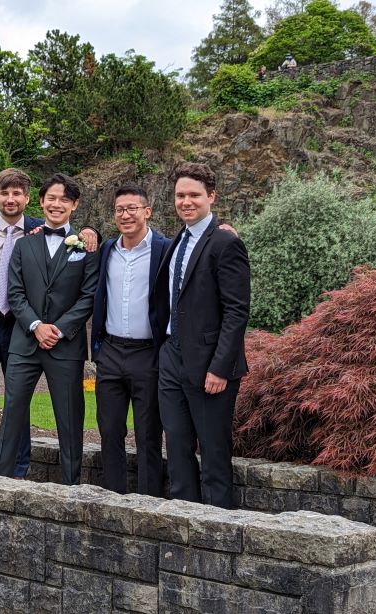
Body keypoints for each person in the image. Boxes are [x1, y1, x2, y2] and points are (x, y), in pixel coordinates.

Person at [0, 169, 98, 477]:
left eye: (64, 199)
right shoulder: (20, 242)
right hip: (17, 336)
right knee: (7, 412)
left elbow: (89, 296)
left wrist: (59, 328)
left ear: (74, 204)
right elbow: (11, 291)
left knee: (69, 418)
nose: (56, 204)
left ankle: (70, 487)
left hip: (63, 344)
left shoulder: (81, 244)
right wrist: (36, 325)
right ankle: (0, 481)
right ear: (42, 201)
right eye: (52, 198)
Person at [152, 162, 250, 509]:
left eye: (194, 195)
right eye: (180, 195)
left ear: (212, 196)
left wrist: (220, 367)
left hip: (210, 365)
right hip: (171, 357)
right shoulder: (176, 241)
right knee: (177, 449)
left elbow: (236, 311)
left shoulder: (226, 243)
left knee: (213, 453)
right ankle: (185, 521)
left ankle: (218, 527)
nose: (186, 201)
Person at [90, 184, 171, 496]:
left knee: (148, 433)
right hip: (110, 352)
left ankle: (148, 501)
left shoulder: (165, 250)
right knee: (109, 431)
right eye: (119, 210)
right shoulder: (108, 249)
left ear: (147, 211)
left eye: (132, 208)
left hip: (148, 354)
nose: (125, 215)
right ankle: (114, 496)